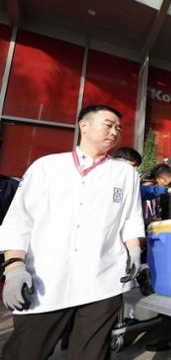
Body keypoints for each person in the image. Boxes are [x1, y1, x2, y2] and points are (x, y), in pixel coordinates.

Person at [0, 104, 145, 359]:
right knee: (26, 352)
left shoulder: (126, 174)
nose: (115, 132)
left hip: (103, 281)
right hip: (46, 282)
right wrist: (14, 268)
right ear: (84, 125)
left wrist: (134, 249)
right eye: (109, 125)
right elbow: (19, 220)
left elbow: (131, 218)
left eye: (118, 128)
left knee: (91, 354)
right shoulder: (46, 167)